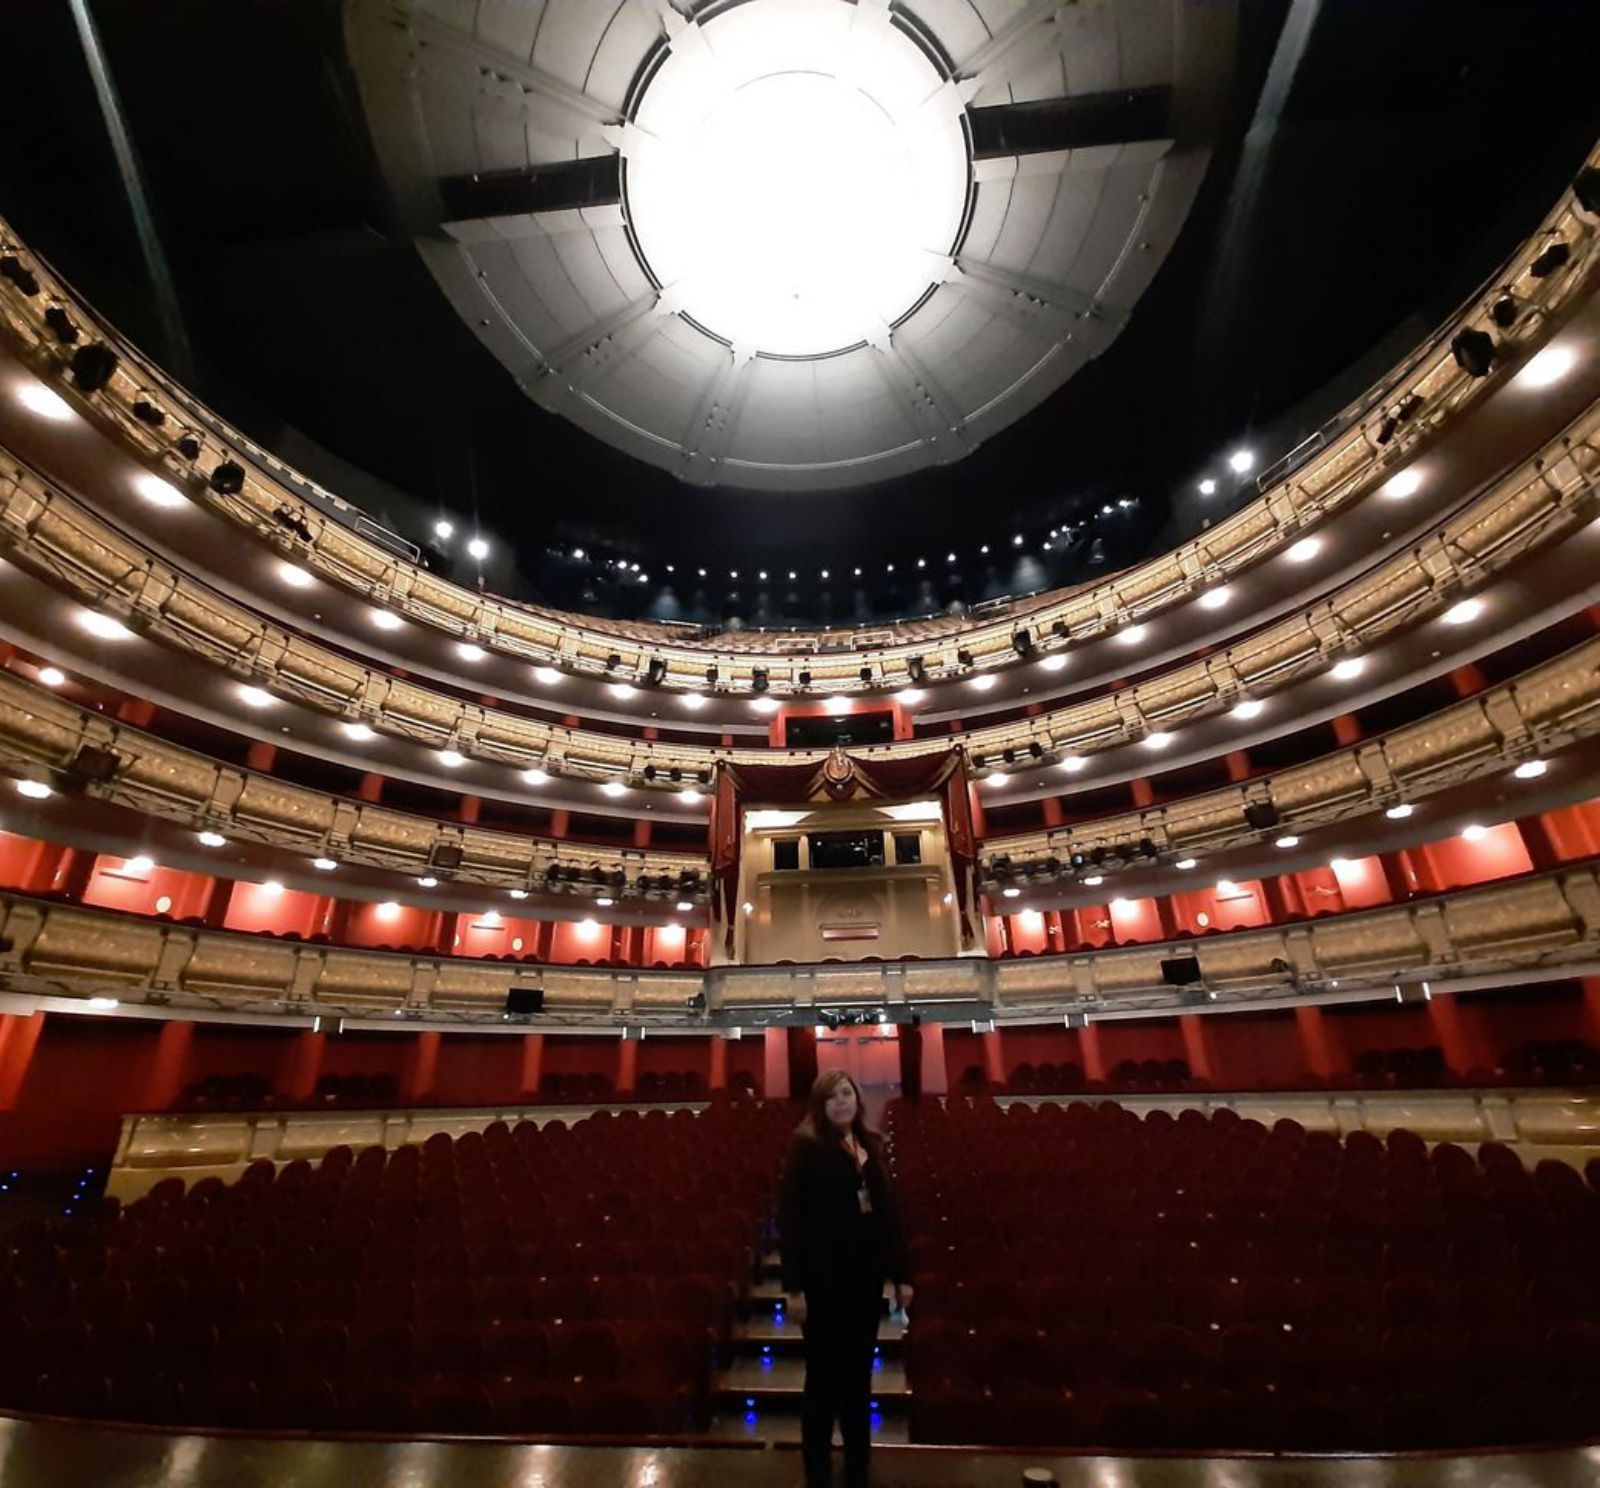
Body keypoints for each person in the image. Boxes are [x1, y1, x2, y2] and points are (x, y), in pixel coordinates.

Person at [778, 1070, 913, 1488]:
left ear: (856, 1099)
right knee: (821, 1382)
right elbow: (791, 1221)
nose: (841, 1101)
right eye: (832, 1096)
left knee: (858, 1380)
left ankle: (858, 1468)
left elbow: (886, 1216)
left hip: (863, 1283)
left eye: (846, 1093)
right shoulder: (805, 1148)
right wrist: (793, 1287)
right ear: (819, 1105)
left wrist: (900, 1275)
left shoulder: (865, 1145)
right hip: (821, 1285)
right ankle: (817, 1471)